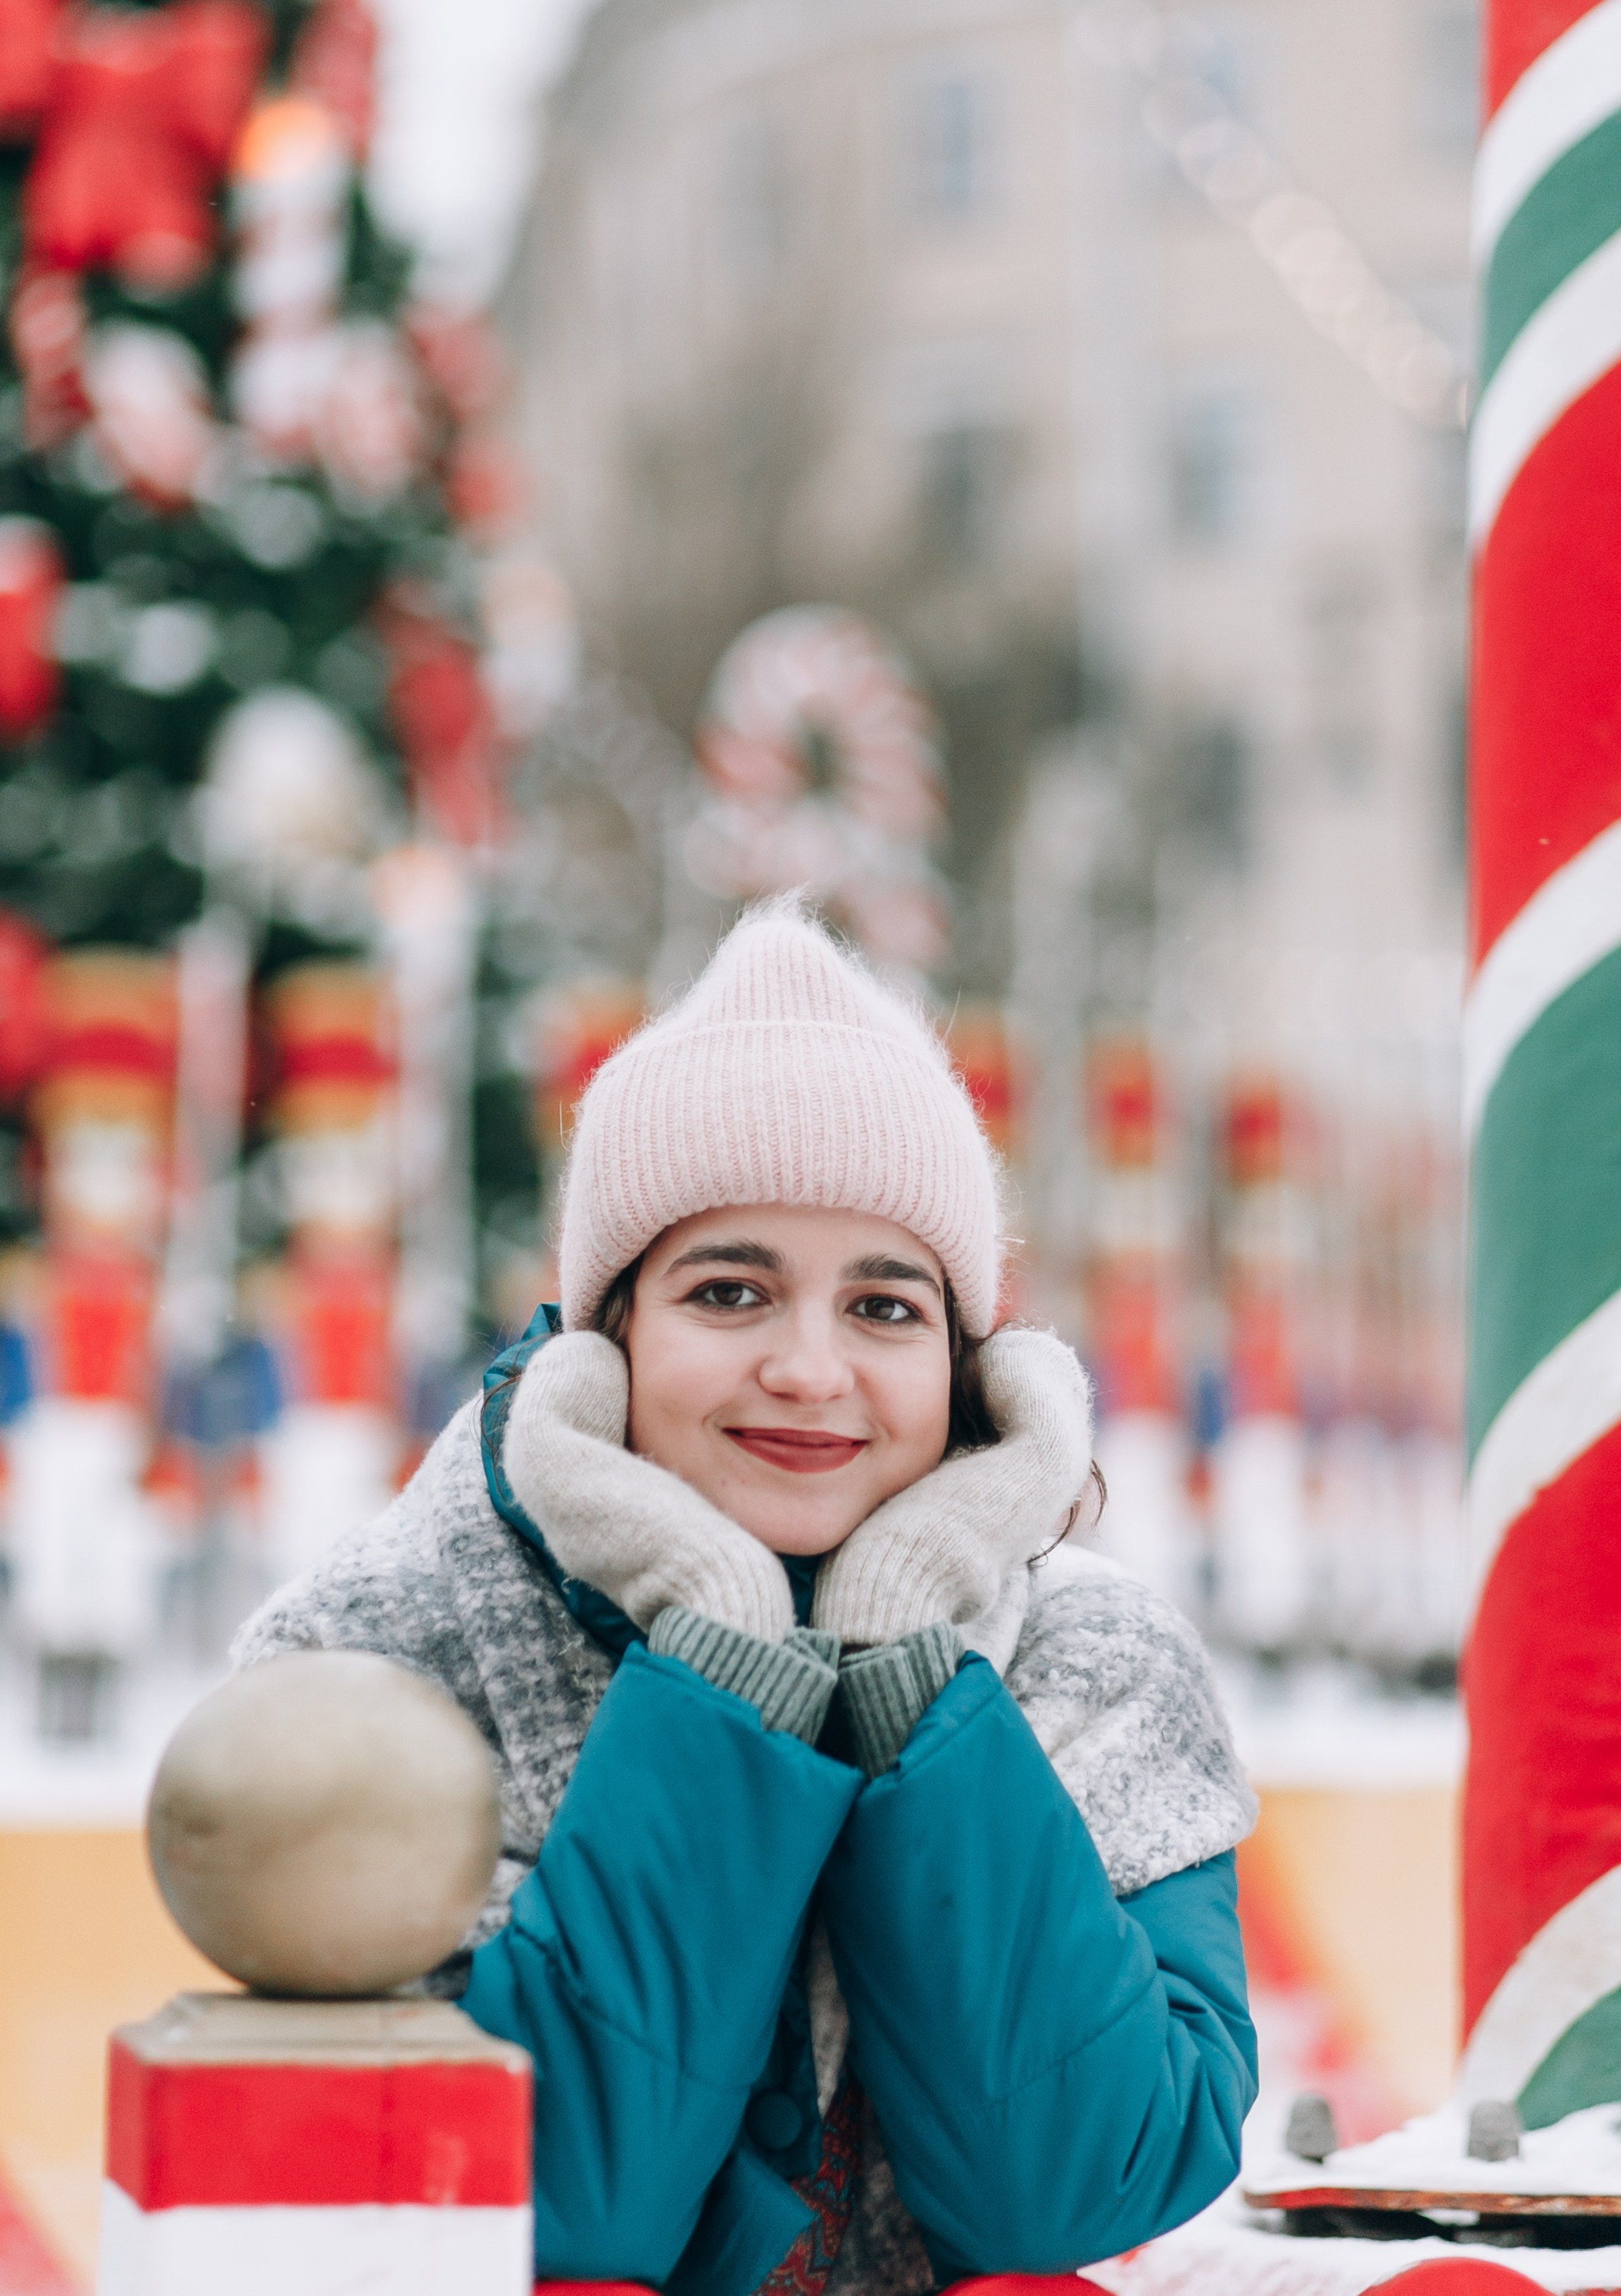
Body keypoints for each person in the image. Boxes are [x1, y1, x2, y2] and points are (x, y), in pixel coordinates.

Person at [235, 904, 1257, 2296]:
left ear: (965, 1362)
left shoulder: (1098, 1660)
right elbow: (550, 2200)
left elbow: (1074, 2187)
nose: (809, 1369)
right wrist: (722, 1665)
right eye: (731, 1291)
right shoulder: (385, 1654)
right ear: (610, 1340)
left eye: (885, 1307)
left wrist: (909, 1673)